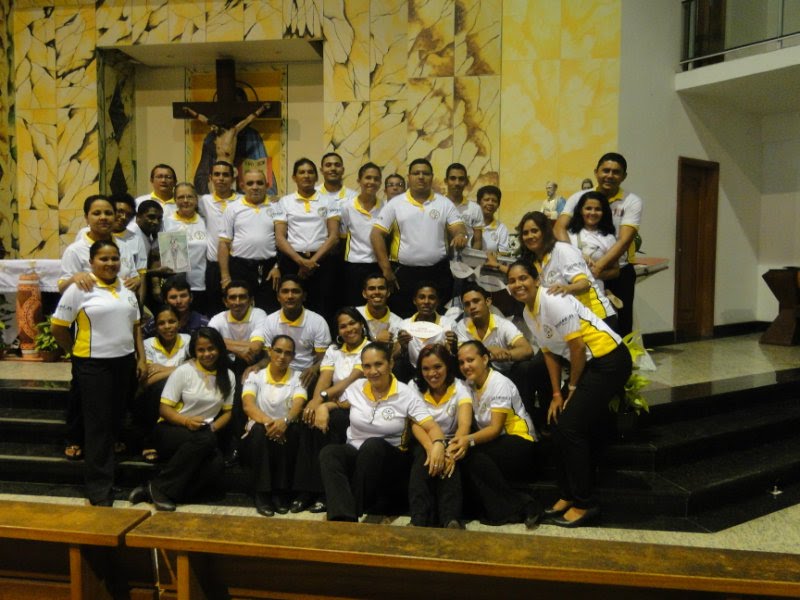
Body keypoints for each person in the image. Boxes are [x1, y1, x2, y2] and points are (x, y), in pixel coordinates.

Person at [507, 261, 632, 527]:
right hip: (587, 365)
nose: (518, 285)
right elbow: (550, 353)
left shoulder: (553, 300)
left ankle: (585, 503)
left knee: (570, 426)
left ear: (536, 280)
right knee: (556, 422)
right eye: (512, 281)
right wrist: (556, 394)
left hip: (609, 360)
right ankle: (567, 494)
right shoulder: (529, 313)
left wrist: (571, 389)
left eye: (523, 278)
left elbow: (577, 347)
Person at [51, 240, 146, 506]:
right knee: (98, 426)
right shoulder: (80, 289)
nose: (110, 263)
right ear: (91, 262)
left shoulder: (126, 289)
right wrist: (75, 354)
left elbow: (136, 325)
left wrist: (141, 358)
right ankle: (99, 489)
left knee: (115, 419)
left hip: (124, 362)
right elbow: (58, 328)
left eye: (114, 258)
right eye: (104, 259)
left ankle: (109, 473)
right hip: (94, 366)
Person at [318, 342, 448, 522]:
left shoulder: (406, 394)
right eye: (367, 366)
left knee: (373, 445)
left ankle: (353, 509)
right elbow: (341, 404)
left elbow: (431, 427)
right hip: (355, 450)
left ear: (391, 364)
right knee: (329, 453)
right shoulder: (356, 388)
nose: (373, 371)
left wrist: (438, 444)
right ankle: (343, 517)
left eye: (378, 364)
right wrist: (324, 407)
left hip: (391, 458)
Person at [128, 327, 235, 511]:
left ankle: (154, 489)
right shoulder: (184, 371)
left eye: (211, 348)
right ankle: (160, 490)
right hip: (170, 429)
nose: (207, 354)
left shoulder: (228, 375)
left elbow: (227, 412)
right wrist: (186, 422)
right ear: (194, 351)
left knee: (216, 464)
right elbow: (164, 409)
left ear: (219, 348)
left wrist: (212, 428)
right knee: (206, 440)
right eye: (201, 350)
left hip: (203, 433)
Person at [448, 341, 540, 527]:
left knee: (472, 457)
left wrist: (467, 440)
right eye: (461, 362)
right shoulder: (468, 385)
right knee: (467, 459)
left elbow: (495, 428)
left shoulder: (499, 383)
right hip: (494, 442)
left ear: (485, 359)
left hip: (520, 440)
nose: (465, 366)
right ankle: (520, 505)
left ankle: (525, 504)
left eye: (470, 360)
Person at [293, 307, 372, 514]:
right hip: (333, 401)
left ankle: (325, 492)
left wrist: (321, 400)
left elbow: (349, 381)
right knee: (308, 419)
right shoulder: (334, 351)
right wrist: (314, 404)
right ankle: (306, 490)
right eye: (343, 326)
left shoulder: (369, 349)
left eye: (352, 323)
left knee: (332, 422)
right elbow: (324, 379)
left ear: (361, 324)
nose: (349, 329)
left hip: (358, 405)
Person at [555, 153, 643, 336]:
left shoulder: (632, 201)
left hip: (618, 271)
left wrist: (599, 267)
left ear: (624, 176)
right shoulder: (579, 197)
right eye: (606, 170)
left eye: (616, 172)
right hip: (579, 272)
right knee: (579, 323)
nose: (610, 175)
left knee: (620, 325)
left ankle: (621, 354)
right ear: (596, 172)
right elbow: (559, 227)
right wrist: (575, 259)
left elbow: (624, 240)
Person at [371, 158, 468, 315]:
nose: (421, 177)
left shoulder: (444, 203)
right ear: (409, 177)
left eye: (426, 173)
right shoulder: (395, 204)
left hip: (438, 272)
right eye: (416, 173)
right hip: (404, 274)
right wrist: (386, 269)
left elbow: (458, 227)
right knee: (405, 317)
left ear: (432, 177)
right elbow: (376, 234)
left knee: (438, 317)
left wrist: (460, 234)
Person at [407, 344, 472, 528]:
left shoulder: (460, 387)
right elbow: (415, 424)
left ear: (447, 366)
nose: (432, 373)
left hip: (453, 439)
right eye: (426, 368)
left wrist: (448, 452)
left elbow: (464, 425)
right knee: (423, 458)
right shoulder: (413, 386)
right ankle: (418, 520)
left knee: (452, 465)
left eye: (437, 367)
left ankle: (451, 520)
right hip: (423, 440)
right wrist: (433, 448)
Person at [241, 335, 306, 516]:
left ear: (293, 357)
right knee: (258, 431)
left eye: (287, 353)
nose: (282, 356)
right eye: (278, 351)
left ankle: (280, 492)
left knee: (294, 429)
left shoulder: (298, 377)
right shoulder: (255, 376)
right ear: (269, 351)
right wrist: (270, 423)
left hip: (285, 429)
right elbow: (248, 405)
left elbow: (298, 405)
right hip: (260, 429)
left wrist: (284, 421)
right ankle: (262, 493)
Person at [517, 211, 616, 328]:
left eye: (534, 231)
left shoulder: (562, 250)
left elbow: (584, 284)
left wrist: (567, 288)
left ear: (545, 232)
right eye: (525, 233)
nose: (530, 236)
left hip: (597, 317)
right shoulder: (534, 261)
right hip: (572, 321)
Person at [275, 158, 341, 323]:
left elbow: (334, 236)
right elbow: (280, 237)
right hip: (292, 261)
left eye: (310, 172)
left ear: (316, 177)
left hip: (322, 261)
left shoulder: (329, 201)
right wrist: (301, 261)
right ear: (294, 177)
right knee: (292, 304)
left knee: (324, 304)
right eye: (302, 172)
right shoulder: (284, 202)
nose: (306, 176)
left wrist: (312, 261)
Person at [249, 275, 332, 390]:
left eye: (295, 291)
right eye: (285, 291)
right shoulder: (270, 320)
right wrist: (257, 366)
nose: (290, 296)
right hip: (278, 371)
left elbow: (324, 359)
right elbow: (268, 357)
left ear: (304, 296)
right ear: (278, 297)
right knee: (250, 377)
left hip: (306, 375)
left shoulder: (318, 322)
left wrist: (314, 368)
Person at [218, 169, 283, 313]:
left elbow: (283, 240)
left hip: (270, 269)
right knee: (240, 311)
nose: (255, 187)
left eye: (259, 183)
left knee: (269, 311)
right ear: (242, 186)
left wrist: (277, 266)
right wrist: (225, 277)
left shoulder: (277, 206)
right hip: (240, 267)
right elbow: (224, 243)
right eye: (250, 183)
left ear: (267, 185)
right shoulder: (232, 208)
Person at [136, 305, 190, 464]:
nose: (167, 326)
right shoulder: (147, 344)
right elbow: (147, 380)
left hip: (184, 391)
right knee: (160, 387)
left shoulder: (188, 340)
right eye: (161, 323)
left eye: (172, 321)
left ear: (179, 323)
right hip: (154, 395)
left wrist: (164, 369)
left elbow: (194, 368)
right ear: (156, 326)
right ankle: (149, 442)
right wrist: (180, 368)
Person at [339, 163, 386, 307]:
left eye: (376, 179)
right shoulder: (347, 207)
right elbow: (342, 237)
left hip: (377, 265)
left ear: (380, 182)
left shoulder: (386, 207)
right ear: (359, 181)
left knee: (376, 306)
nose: (372, 182)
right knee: (354, 306)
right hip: (354, 265)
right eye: (368, 178)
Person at [199, 160, 242, 316]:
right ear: (210, 178)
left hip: (238, 264)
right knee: (214, 309)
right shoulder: (203, 201)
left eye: (225, 175)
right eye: (217, 174)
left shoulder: (243, 201)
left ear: (233, 178)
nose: (221, 178)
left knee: (239, 308)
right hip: (213, 265)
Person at [395, 282, 458, 381]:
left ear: (438, 301)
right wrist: (403, 347)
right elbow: (393, 356)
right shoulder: (404, 325)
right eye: (422, 297)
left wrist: (454, 348)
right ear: (415, 300)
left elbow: (454, 355)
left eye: (431, 298)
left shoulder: (449, 324)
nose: (426, 301)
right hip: (412, 372)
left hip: (440, 373)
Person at [163, 182, 208, 314]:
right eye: (181, 197)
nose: (185, 201)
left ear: (196, 199)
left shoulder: (205, 221)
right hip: (175, 287)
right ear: (175, 200)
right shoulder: (167, 222)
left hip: (200, 284)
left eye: (189, 196)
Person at [183, 103, 270, 166]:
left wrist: (262, 108)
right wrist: (189, 111)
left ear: (220, 125)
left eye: (214, 127)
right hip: (217, 168)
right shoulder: (217, 134)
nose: (211, 129)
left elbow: (248, 120)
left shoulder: (233, 131)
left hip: (229, 169)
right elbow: (202, 118)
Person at [567, 191, 620, 294]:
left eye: (597, 209)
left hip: (596, 295)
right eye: (588, 208)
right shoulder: (568, 234)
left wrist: (594, 274)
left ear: (603, 212)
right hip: (569, 295)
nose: (593, 213)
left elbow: (615, 271)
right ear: (581, 210)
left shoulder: (609, 238)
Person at [143, 276, 209, 338]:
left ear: (191, 298)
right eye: (173, 297)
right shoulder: (153, 324)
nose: (179, 301)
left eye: (183, 296)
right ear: (165, 300)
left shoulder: (203, 324)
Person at [444, 163, 483, 249]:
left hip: (466, 255)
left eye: (461, 179)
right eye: (453, 178)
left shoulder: (475, 208)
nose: (457, 183)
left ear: (466, 182)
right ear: (446, 181)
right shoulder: (438, 205)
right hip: (441, 254)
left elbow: (478, 241)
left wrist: (472, 256)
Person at [356, 273, 403, 343]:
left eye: (381, 288)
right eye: (372, 288)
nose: (377, 292)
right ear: (364, 293)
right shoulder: (354, 315)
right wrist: (376, 339)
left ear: (388, 292)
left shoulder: (398, 322)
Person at [477, 185, 509, 254]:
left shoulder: (501, 228)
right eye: (486, 200)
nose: (490, 203)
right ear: (478, 202)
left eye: (494, 201)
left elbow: (503, 254)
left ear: (498, 205)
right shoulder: (469, 223)